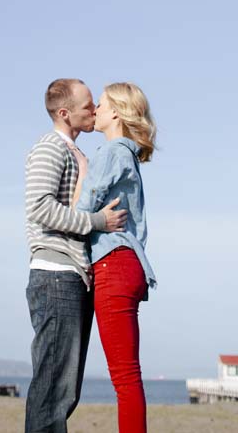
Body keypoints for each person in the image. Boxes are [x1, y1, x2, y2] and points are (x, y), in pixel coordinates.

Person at [24, 78, 127, 433]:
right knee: (53, 388)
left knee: (65, 391)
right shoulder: (50, 147)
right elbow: (39, 207)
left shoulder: (78, 153)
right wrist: (97, 221)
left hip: (73, 275)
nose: (95, 111)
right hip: (55, 274)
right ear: (65, 114)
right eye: (88, 106)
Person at [75, 82, 157, 433]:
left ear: (116, 113)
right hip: (127, 265)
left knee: (124, 379)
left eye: (102, 104)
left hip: (113, 264)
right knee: (128, 377)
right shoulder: (126, 155)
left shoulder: (111, 153)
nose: (94, 110)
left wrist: (81, 167)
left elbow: (82, 209)